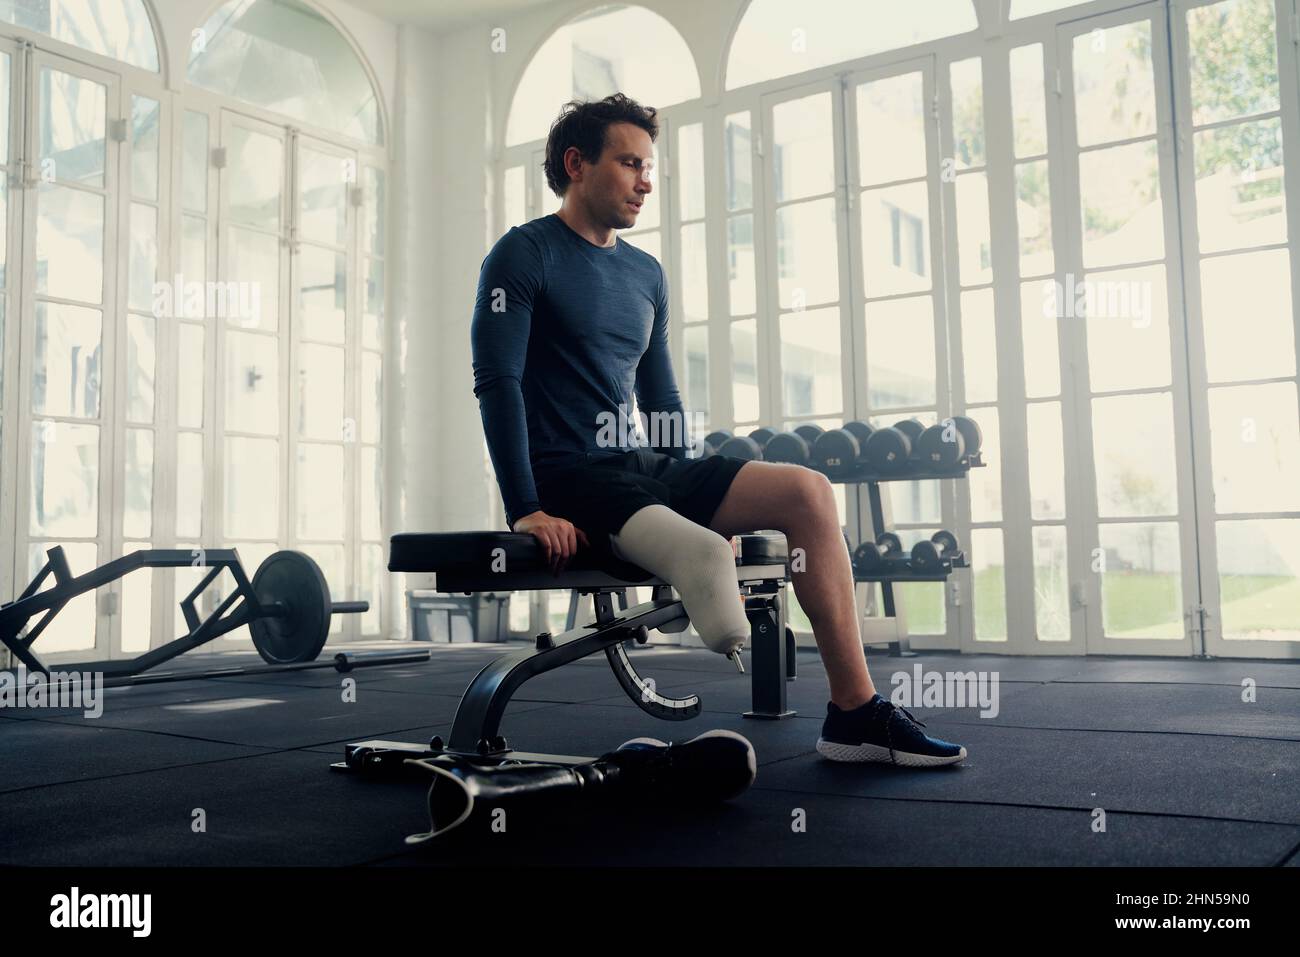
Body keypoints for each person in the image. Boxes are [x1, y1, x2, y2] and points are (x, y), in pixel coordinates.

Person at [470, 93, 965, 767]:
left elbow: (661, 395)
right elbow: (497, 382)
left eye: (649, 166)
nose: (646, 180)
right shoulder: (522, 255)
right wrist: (526, 507)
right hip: (565, 475)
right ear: (576, 163)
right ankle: (702, 574)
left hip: (638, 464)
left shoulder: (645, 273)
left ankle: (855, 712)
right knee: (704, 556)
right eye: (629, 162)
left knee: (810, 490)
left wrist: (698, 491)